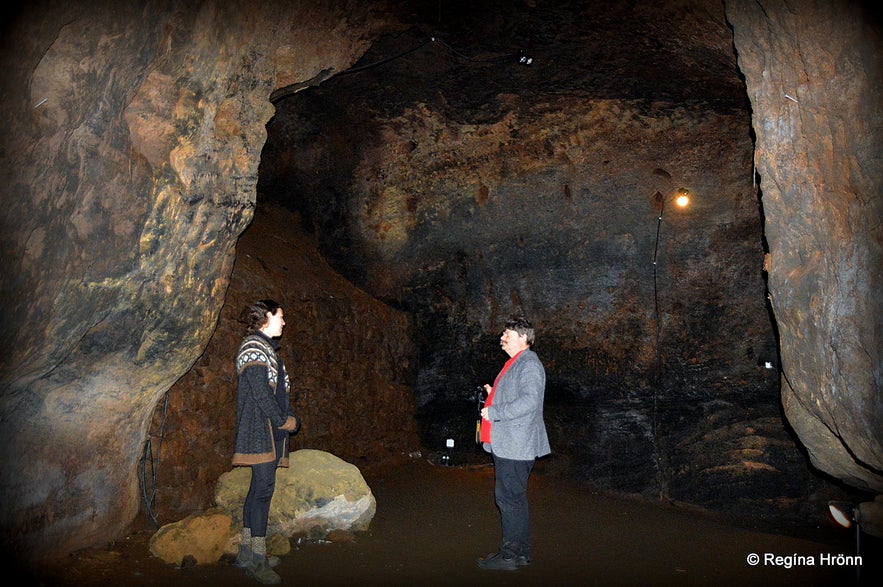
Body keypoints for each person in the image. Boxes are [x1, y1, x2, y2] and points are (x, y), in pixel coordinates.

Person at [233, 299, 299, 585]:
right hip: (260, 430)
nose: (284, 322)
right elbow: (261, 393)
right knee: (262, 494)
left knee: (255, 492)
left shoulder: (266, 350)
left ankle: (246, 552)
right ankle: (257, 561)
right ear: (266, 317)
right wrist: (282, 421)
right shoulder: (254, 347)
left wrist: (289, 415)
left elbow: (279, 393)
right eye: (280, 316)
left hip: (266, 430)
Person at [477, 317, 551, 571]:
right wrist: (493, 396)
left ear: (523, 337)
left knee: (508, 499)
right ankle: (520, 554)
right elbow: (519, 396)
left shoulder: (529, 363)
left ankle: (509, 556)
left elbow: (530, 401)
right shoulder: (516, 363)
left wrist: (495, 411)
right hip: (511, 442)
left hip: (516, 444)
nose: (503, 336)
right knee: (513, 498)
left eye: (508, 333)